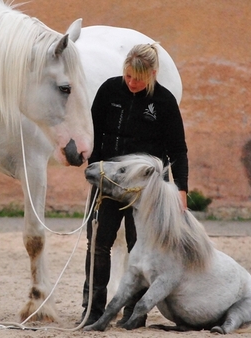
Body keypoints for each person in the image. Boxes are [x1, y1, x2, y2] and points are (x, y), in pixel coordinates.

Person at [78, 43, 189, 327]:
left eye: (138, 78)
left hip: (147, 191)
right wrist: (93, 165)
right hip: (110, 182)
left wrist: (181, 189)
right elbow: (94, 131)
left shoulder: (164, 102)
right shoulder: (109, 90)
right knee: (98, 244)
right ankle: (92, 308)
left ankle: (132, 314)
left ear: (153, 73)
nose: (132, 82)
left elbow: (177, 150)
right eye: (128, 76)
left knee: (137, 247)